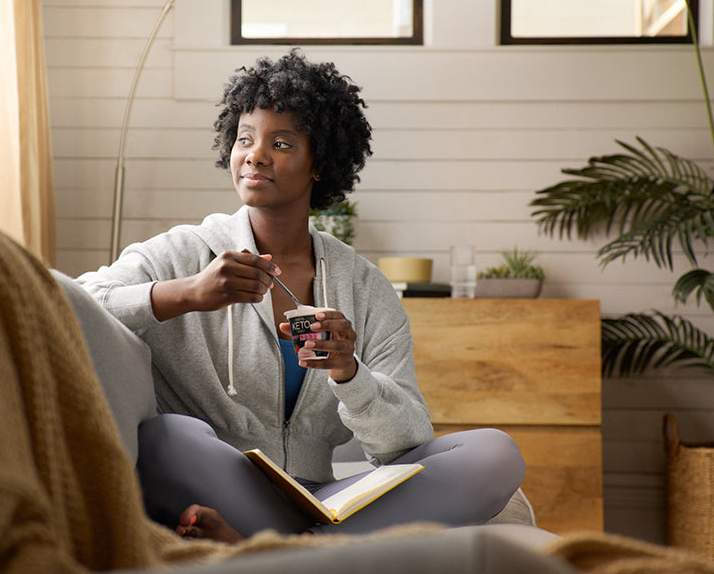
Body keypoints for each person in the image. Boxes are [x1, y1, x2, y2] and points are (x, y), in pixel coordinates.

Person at [76, 49, 525, 543]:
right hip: (225, 478)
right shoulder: (186, 252)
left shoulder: (363, 286)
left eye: (282, 143)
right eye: (244, 139)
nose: (255, 155)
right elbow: (77, 303)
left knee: (494, 452)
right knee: (166, 440)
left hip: (326, 497)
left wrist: (349, 373)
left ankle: (286, 548)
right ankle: (314, 551)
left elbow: (405, 442)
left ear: (320, 164)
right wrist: (187, 293)